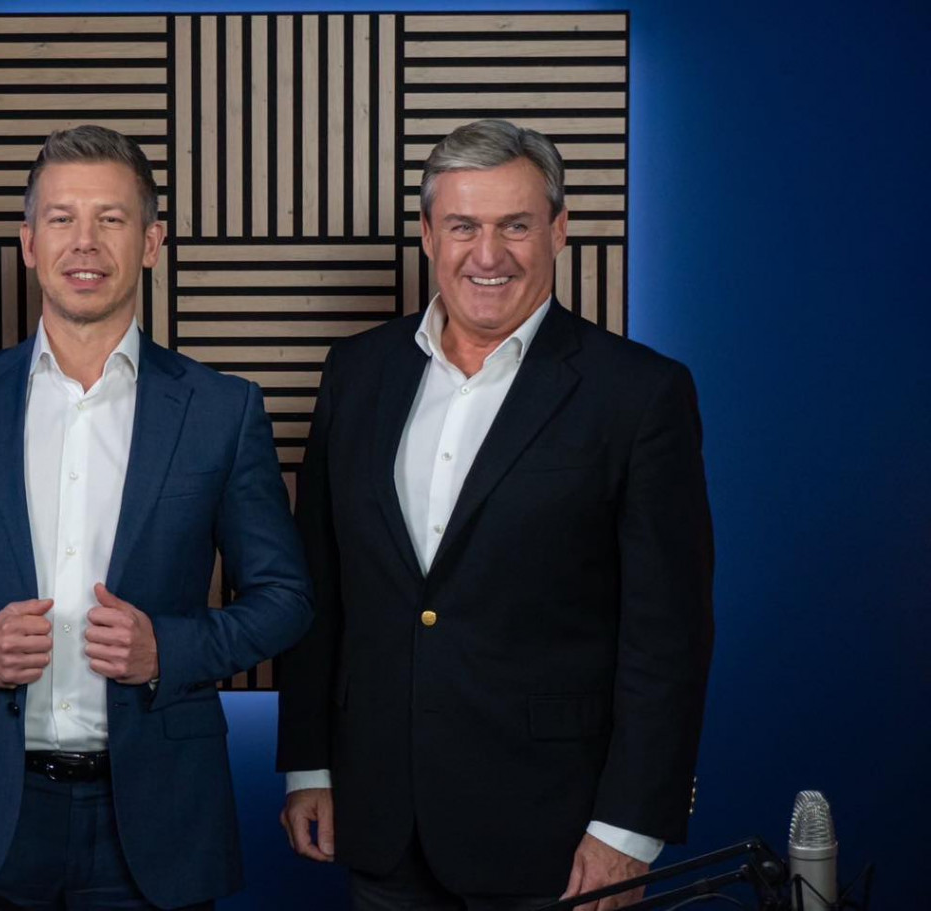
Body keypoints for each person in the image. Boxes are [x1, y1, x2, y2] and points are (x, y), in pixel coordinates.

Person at [0, 125, 312, 910]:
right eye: (61, 218)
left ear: (151, 242)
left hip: (159, 817)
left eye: (111, 218)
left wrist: (168, 648)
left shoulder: (222, 411)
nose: (84, 241)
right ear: (30, 242)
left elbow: (286, 598)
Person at [276, 119, 714, 911]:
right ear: (427, 235)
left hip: (556, 834)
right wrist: (309, 762)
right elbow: (322, 587)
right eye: (463, 226)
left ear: (558, 228)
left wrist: (629, 828)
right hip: (381, 821)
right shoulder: (357, 372)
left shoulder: (639, 393)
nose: (488, 254)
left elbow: (668, 634)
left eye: (515, 225)